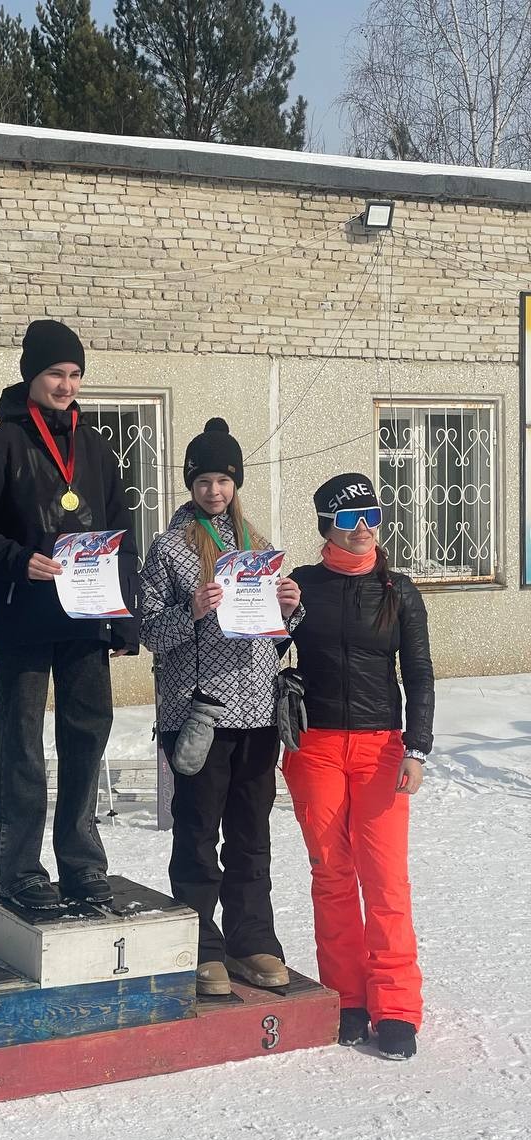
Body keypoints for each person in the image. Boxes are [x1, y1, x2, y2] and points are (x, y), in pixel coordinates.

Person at [0, 319, 139, 911]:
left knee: (87, 737)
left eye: (75, 374)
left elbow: (122, 536)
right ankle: (21, 868)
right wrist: (19, 560)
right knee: (21, 745)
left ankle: (82, 862)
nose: (66, 385)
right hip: (25, 619)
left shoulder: (97, 448)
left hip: (87, 620)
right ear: (31, 376)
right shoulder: (0, 445)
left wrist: (125, 617)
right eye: (55, 373)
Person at [140, 418, 302, 997]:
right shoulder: (168, 548)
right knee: (197, 833)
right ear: (190, 484)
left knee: (251, 835)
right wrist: (191, 611)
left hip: (257, 710)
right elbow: (149, 633)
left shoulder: (257, 545)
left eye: (224, 480)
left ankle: (251, 939)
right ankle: (201, 944)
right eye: (204, 480)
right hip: (199, 712)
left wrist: (290, 608)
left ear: (236, 485)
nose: (215, 491)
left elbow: (272, 638)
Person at [284, 473, 433, 1061]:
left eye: (372, 515)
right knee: (332, 874)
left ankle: (395, 1006)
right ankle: (346, 997)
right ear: (328, 525)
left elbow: (418, 672)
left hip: (380, 750)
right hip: (315, 746)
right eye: (349, 519)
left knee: (386, 878)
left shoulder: (399, 590)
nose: (363, 527)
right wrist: (280, 616)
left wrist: (417, 747)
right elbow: (266, 653)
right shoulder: (301, 585)